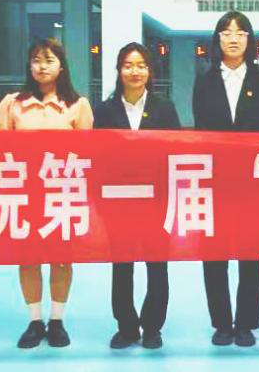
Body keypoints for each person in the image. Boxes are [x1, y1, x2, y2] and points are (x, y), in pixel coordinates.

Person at [0, 38, 94, 349]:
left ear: (61, 67)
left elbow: (88, 155)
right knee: (28, 258)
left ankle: (57, 319)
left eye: (49, 60)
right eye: (36, 60)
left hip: (62, 193)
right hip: (23, 193)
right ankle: (34, 320)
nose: (42, 66)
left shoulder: (77, 105)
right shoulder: (12, 103)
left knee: (61, 259)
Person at [192, 11, 259, 347]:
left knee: (251, 253)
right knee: (215, 253)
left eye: (241, 32)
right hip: (215, 180)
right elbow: (200, 129)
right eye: (226, 32)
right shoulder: (205, 81)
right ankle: (222, 323)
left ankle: (245, 322)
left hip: (252, 181)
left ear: (249, 40)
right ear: (218, 40)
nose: (234, 38)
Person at [94, 43, 181, 350]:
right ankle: (127, 327)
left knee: (157, 264)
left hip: (156, 200)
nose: (135, 71)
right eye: (128, 65)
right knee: (122, 265)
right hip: (118, 200)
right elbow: (96, 157)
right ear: (119, 71)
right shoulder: (105, 110)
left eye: (141, 65)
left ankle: (153, 326)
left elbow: (176, 151)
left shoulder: (164, 108)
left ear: (149, 71)